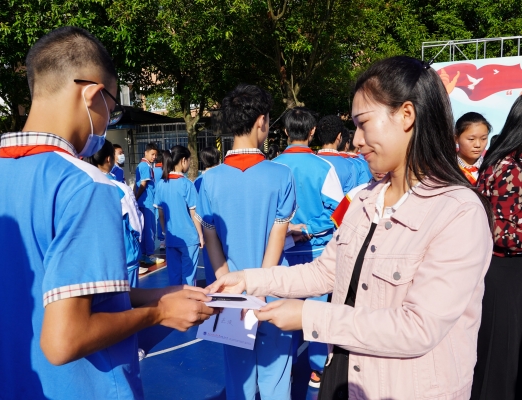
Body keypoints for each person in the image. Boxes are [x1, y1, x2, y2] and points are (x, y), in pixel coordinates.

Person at [209, 56, 494, 400]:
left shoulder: (458, 212)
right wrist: (248, 280)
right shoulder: (363, 199)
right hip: (346, 375)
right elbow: (323, 272)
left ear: (406, 115)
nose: (356, 140)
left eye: (363, 123)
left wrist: (309, 315)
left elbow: (418, 328)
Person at [0, 27, 216, 399]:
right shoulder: (86, 186)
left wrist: (162, 295)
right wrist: (159, 313)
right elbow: (65, 340)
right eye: (111, 109)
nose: (107, 123)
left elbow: (65, 296)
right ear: (91, 94)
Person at [196, 84, 296, 400]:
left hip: (231, 296)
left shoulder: (208, 180)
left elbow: (210, 238)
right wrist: (260, 288)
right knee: (276, 379)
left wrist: (227, 286)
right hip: (273, 290)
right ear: (261, 121)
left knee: (238, 382)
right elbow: (277, 236)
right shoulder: (281, 175)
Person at [274, 107, 344, 388]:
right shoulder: (324, 167)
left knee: (284, 310)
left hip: (283, 253)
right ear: (312, 131)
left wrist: (290, 229)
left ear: (285, 131)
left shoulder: (273, 167)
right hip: (317, 252)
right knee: (316, 313)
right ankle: (317, 370)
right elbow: (339, 211)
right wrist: (309, 228)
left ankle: (284, 369)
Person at [472, 96, 522, 400]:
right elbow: (499, 231)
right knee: (500, 362)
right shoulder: (508, 168)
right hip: (504, 272)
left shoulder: (503, 162)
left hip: (505, 272)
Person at [84, 139, 145, 286]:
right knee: (130, 298)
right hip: (123, 256)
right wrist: (136, 242)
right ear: (108, 158)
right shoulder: (120, 188)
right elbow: (136, 224)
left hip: (93, 260)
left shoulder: (82, 187)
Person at [154, 146, 203, 286]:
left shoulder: (161, 184)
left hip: (171, 238)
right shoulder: (187, 184)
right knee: (189, 277)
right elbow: (194, 213)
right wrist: (200, 235)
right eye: (189, 160)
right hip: (189, 238)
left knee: (174, 276)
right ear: (183, 161)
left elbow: (161, 214)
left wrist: (165, 232)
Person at [193, 146, 220, 285]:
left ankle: (212, 287)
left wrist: (199, 234)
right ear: (218, 159)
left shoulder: (198, 181)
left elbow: (195, 210)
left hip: (206, 226)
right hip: (223, 225)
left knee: (210, 259)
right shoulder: (223, 178)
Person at [134, 142, 164, 265]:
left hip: (143, 202)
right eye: (152, 154)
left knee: (144, 229)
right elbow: (143, 184)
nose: (154, 157)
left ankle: (144, 254)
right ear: (145, 153)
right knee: (150, 229)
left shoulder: (142, 165)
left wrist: (135, 198)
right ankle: (150, 254)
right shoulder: (145, 166)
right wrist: (136, 197)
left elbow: (137, 184)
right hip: (147, 202)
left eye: (155, 155)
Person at [316, 115, 358, 194]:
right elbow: (349, 196)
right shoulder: (349, 165)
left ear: (319, 137)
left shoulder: (308, 163)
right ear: (339, 136)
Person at [455, 112, 491, 185]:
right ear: (456, 138)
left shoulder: (491, 168)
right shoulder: (445, 167)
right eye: (471, 139)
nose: (478, 145)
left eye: (483, 138)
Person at [153, 153, 165, 250]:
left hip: (155, 198)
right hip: (164, 197)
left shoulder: (152, 170)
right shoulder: (164, 171)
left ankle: (161, 241)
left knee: (158, 219)